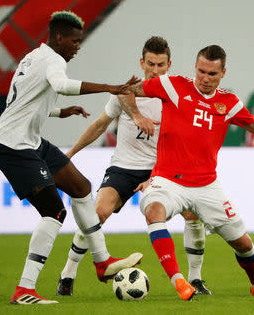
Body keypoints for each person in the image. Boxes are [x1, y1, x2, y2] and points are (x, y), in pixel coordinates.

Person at [118, 45, 254, 301]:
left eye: (212, 74)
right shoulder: (173, 85)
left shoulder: (228, 103)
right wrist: (137, 115)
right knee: (154, 211)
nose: (205, 79)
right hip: (167, 179)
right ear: (194, 67)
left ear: (223, 73)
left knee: (243, 244)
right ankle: (180, 282)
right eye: (201, 71)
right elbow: (126, 91)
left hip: (207, 186)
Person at [0, 11, 143, 305]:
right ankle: (24, 290)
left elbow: (24, 103)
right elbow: (61, 85)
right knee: (54, 212)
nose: (77, 47)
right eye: (74, 41)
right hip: (13, 147)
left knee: (82, 188)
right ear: (59, 38)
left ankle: (102, 262)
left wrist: (62, 111)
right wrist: (110, 87)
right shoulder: (54, 61)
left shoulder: (31, 58)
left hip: (30, 141)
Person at [56, 36, 211, 297]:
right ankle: (67, 274)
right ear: (142, 62)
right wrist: (70, 153)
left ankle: (195, 279)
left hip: (161, 168)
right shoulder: (125, 92)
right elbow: (99, 125)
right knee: (98, 213)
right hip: (124, 167)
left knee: (192, 215)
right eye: (151, 64)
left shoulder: (176, 97)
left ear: (169, 65)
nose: (155, 70)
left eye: (161, 65)